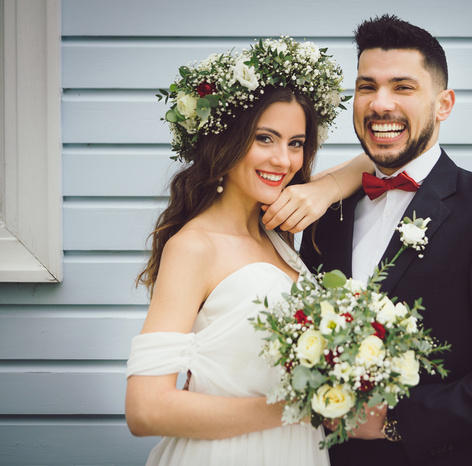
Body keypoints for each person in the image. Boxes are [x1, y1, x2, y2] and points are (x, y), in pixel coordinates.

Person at [290, 15, 472, 465]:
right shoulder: (326, 215)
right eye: (366, 87)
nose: (380, 104)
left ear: (444, 104)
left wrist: (395, 421)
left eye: (403, 87)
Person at [124, 37, 370, 465]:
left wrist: (324, 190)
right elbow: (146, 409)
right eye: (265, 138)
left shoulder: (275, 233)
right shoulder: (194, 247)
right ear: (226, 140)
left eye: (296, 143)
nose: (283, 159)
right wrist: (303, 406)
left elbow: (371, 162)